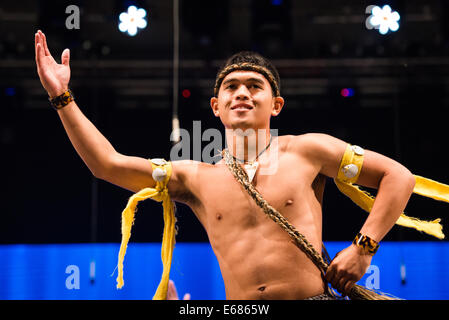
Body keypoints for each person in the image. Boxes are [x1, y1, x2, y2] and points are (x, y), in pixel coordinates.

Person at [34, 29, 421, 300]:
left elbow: (398, 177)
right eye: (231, 87)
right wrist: (62, 96)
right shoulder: (195, 177)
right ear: (216, 107)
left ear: (276, 104)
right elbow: (107, 164)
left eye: (255, 86)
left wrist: (363, 248)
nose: (242, 93)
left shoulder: (308, 150)